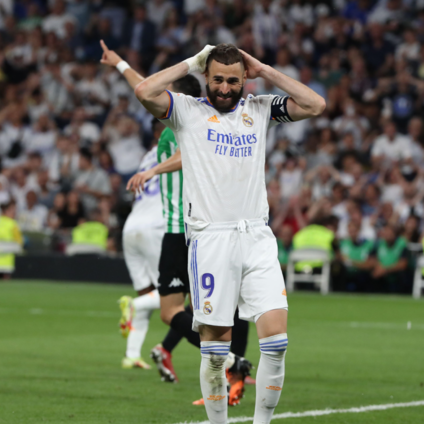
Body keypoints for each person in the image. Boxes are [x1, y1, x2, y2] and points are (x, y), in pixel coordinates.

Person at [129, 42, 325, 423]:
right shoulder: (186, 111)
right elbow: (144, 91)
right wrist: (191, 62)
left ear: (244, 79)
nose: (224, 88)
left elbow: (315, 104)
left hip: (257, 236)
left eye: (233, 81)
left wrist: (264, 69)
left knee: (277, 343)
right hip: (211, 239)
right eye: (217, 79)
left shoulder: (260, 109)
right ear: (206, 76)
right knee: (216, 352)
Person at [102, 41, 254, 405]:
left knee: (208, 309)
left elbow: (189, 154)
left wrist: (154, 169)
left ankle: (229, 367)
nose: (160, 95)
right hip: (182, 231)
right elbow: (143, 86)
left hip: (189, 230)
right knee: (185, 311)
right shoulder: (181, 123)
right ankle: (231, 363)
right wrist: (120, 63)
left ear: (179, 96)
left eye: (167, 91)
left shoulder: (190, 121)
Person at [118, 118, 166, 371]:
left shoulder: (147, 157)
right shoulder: (177, 150)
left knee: (147, 293)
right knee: (171, 292)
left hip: (131, 226)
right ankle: (132, 306)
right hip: (156, 226)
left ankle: (131, 355)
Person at [0, 201, 23, 278]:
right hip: (7, 261)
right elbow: (20, 242)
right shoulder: (13, 224)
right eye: (13, 211)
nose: (15, 213)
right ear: (6, 211)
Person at [369, 224, 409, 293]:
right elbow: (371, 259)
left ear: (395, 234)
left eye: (390, 233)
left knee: (403, 275)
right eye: (386, 232)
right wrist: (378, 266)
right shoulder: (378, 243)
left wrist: (386, 270)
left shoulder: (402, 244)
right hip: (380, 272)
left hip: (394, 273)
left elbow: (403, 264)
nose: (387, 235)